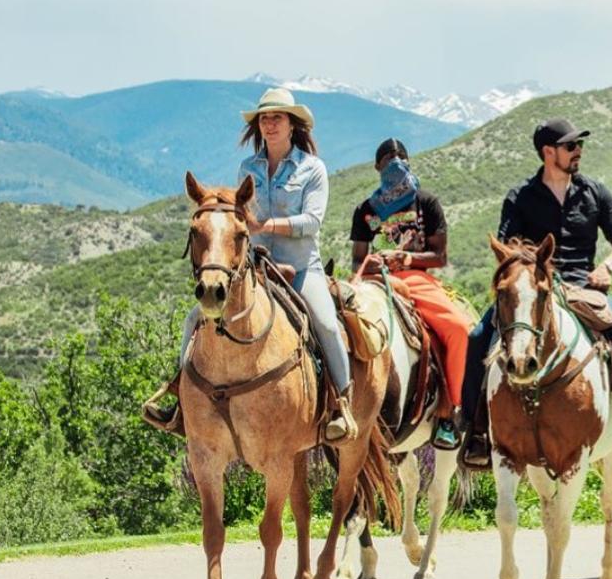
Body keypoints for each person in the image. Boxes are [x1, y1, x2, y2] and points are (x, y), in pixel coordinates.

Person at [143, 87, 356, 443]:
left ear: (293, 124)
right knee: (193, 320)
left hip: (301, 268)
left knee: (326, 325)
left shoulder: (312, 169)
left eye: (277, 118)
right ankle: (181, 402)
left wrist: (266, 226)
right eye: (265, 119)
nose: (270, 124)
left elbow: (313, 222)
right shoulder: (248, 167)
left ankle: (341, 407)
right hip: (254, 267)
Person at [459, 117, 612, 469]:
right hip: (534, 287)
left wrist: (608, 266)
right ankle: (473, 429)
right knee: (478, 336)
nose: (578, 151)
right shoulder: (521, 197)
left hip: (585, 285)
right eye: (570, 146)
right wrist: (529, 268)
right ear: (548, 152)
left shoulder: (594, 192)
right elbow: (508, 246)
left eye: (578, 145)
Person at [350, 138, 471, 450]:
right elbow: (356, 259)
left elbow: (440, 256)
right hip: (376, 279)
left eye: (401, 156)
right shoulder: (366, 210)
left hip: (417, 279)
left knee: (458, 330)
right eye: (388, 158)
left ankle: (450, 413)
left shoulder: (426, 202)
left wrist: (406, 258)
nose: (395, 161)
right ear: (378, 167)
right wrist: (373, 262)